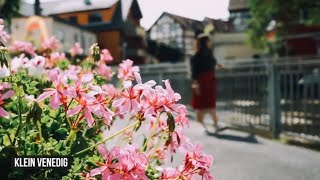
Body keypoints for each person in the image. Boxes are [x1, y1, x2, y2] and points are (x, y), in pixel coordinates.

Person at [190, 34, 222, 130]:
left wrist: (217, 65)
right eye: (208, 41)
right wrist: (195, 83)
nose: (210, 43)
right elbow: (194, 71)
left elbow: (213, 64)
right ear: (205, 42)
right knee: (203, 103)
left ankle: (205, 125)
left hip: (209, 80)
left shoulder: (208, 53)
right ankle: (212, 124)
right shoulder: (196, 56)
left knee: (207, 103)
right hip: (202, 81)